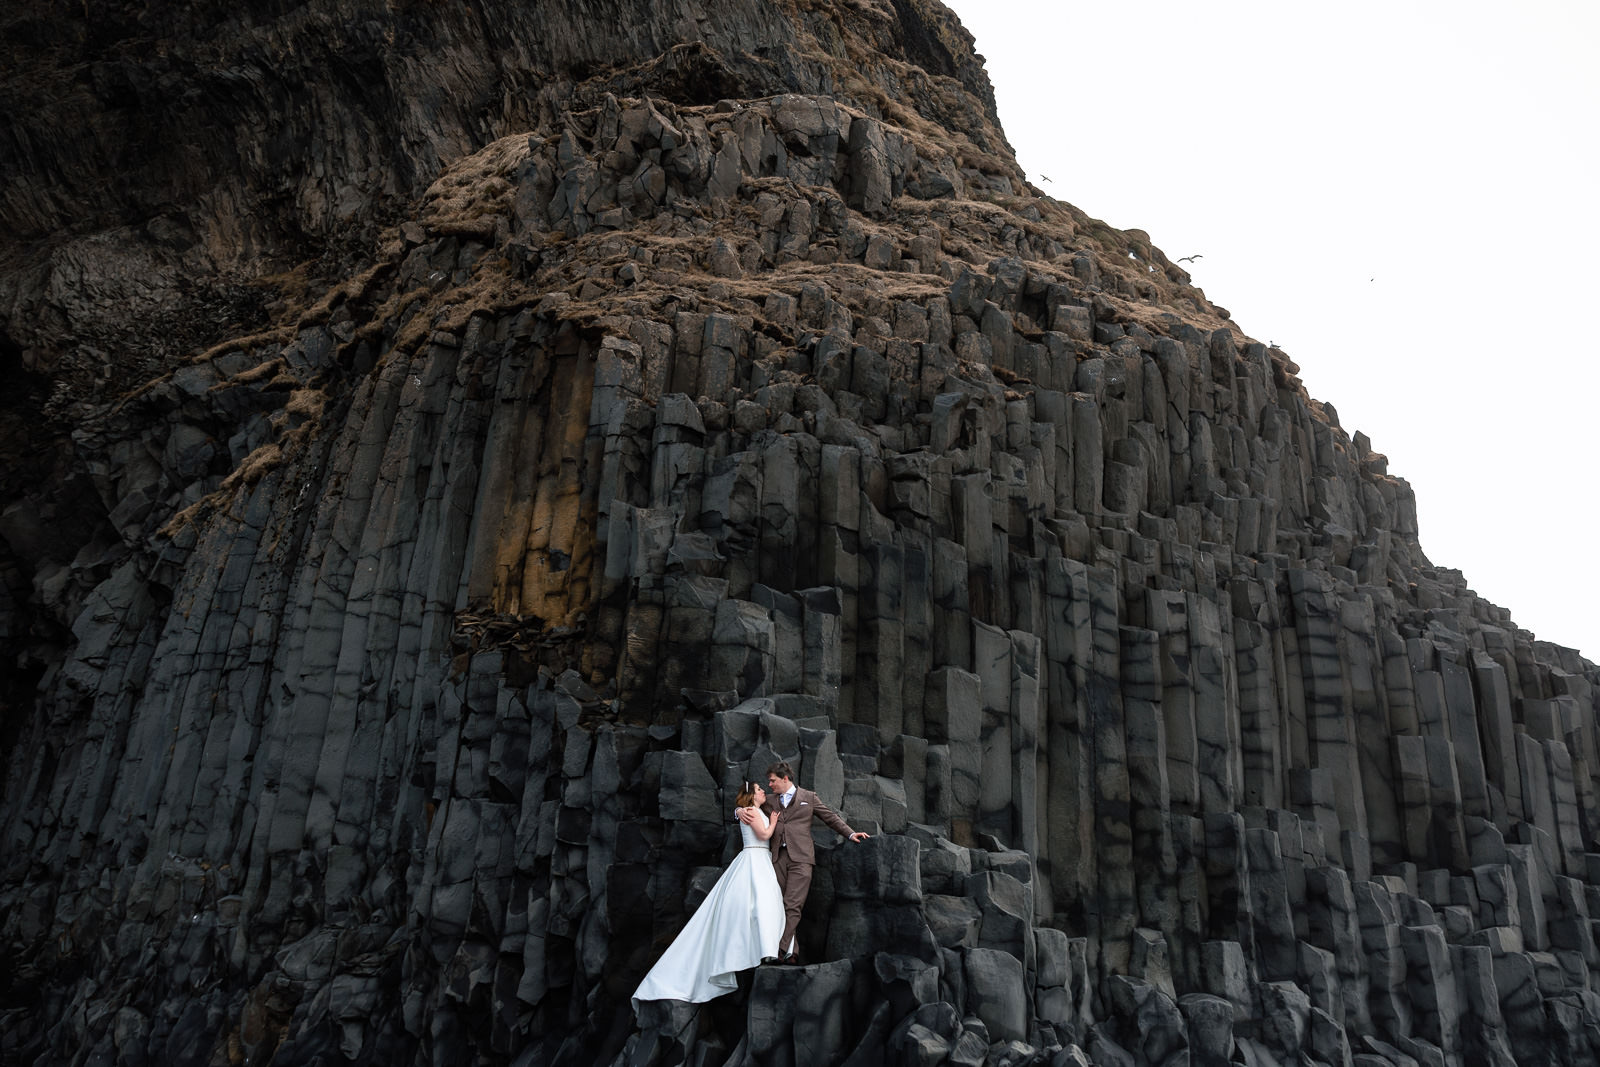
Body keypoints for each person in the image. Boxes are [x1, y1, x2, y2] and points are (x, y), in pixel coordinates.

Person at [632, 782, 785, 1008]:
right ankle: (760, 950)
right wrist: (771, 823)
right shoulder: (752, 811)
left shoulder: (752, 810)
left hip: (759, 860)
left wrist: (739, 810)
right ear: (752, 796)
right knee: (758, 903)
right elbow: (763, 835)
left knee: (764, 904)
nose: (764, 791)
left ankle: (765, 948)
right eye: (759, 789)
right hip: (754, 859)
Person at [738, 761, 869, 964]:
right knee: (778, 906)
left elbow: (830, 818)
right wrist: (737, 812)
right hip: (776, 859)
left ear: (785, 778)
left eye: (772, 781)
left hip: (802, 859)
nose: (769, 785)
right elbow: (747, 804)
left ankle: (780, 948)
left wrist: (851, 833)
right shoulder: (769, 800)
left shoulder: (809, 797)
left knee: (793, 904)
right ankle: (793, 951)